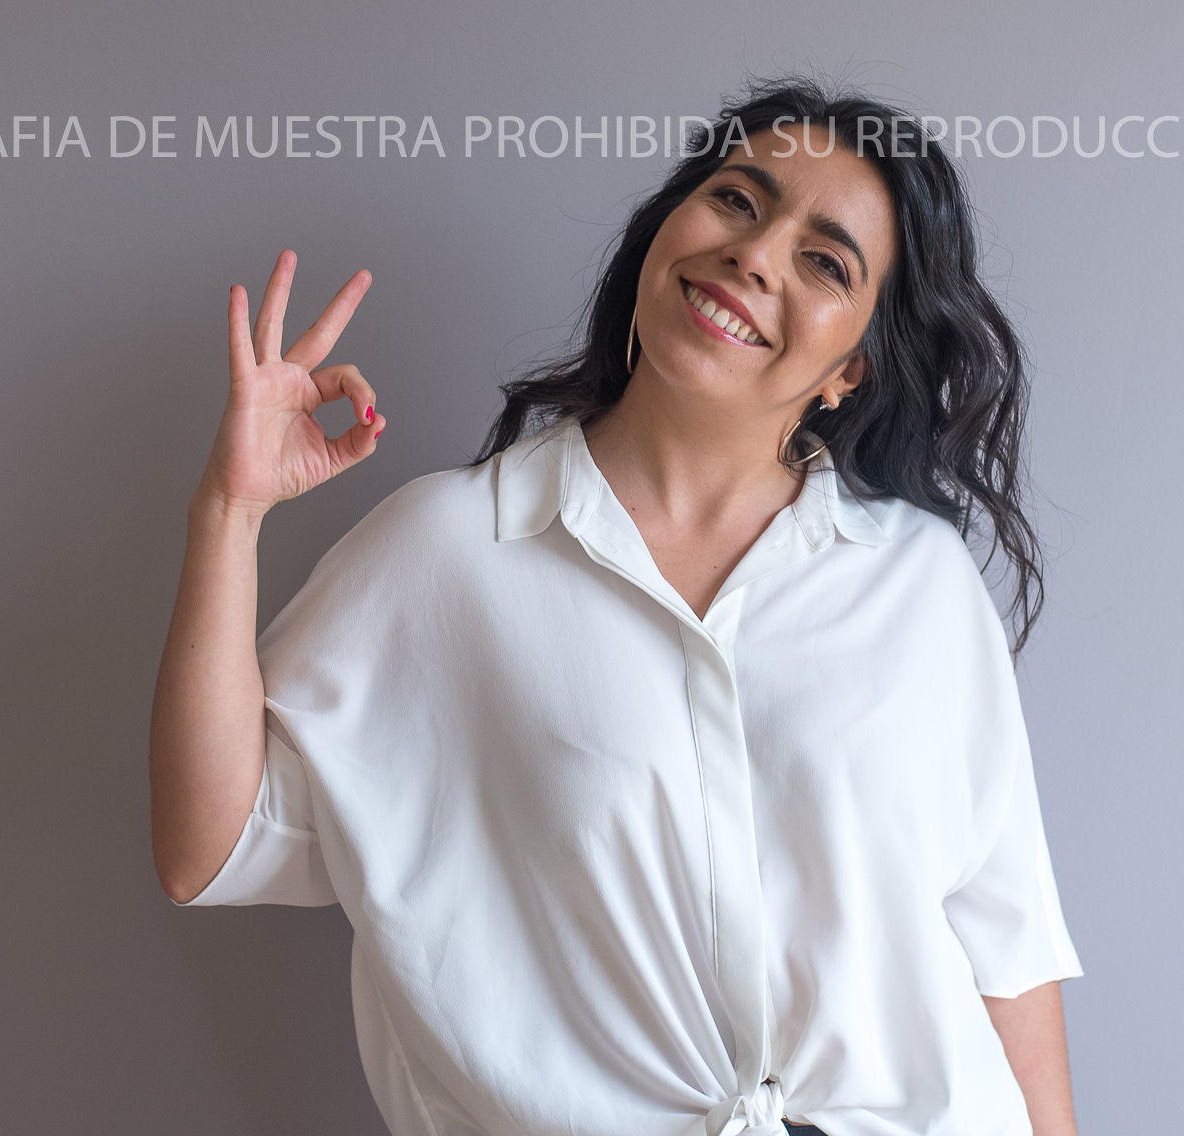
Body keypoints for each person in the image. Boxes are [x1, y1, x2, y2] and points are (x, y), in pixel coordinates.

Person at [150, 76, 1083, 1136]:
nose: (756, 253)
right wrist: (228, 510)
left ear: (851, 368)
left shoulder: (918, 582)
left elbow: (1004, 948)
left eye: (825, 261)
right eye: (736, 198)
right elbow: (206, 847)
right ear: (664, 231)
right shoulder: (451, 551)